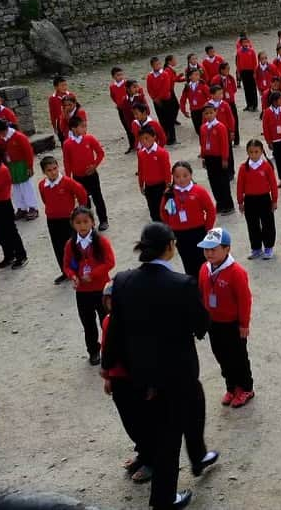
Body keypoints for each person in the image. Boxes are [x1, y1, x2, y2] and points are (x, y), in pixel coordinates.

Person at [102, 223, 218, 510]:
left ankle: (199, 454)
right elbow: (201, 326)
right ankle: (164, 499)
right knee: (168, 436)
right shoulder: (182, 284)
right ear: (168, 247)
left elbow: (114, 329)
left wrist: (107, 367)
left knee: (194, 403)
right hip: (175, 372)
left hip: (139, 372)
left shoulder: (123, 280)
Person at [99, 280, 154, 484]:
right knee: (129, 421)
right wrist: (108, 377)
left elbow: (147, 356)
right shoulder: (107, 321)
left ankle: (152, 461)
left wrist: (150, 383)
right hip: (119, 380)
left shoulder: (137, 322)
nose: (112, 302)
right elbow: (106, 349)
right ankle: (142, 453)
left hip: (137, 380)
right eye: (108, 299)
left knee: (144, 422)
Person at [197, 227, 255, 408]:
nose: (209, 253)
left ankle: (245, 388)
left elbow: (245, 300)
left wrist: (244, 324)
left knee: (238, 357)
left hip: (232, 324)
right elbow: (201, 293)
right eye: (206, 249)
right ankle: (231, 386)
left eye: (213, 249)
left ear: (227, 249)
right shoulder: (204, 269)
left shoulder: (236, 272)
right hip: (213, 323)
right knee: (221, 355)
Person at [62, 206, 114, 365]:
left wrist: (92, 275)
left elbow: (110, 262)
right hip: (82, 292)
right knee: (88, 323)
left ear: (92, 222)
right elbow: (67, 266)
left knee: (106, 320)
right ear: (73, 224)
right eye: (78, 222)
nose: (82, 226)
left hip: (101, 289)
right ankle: (93, 351)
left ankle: (111, 349)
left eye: (86, 221)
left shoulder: (101, 241)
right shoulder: (71, 244)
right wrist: (73, 276)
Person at [160, 161, 217, 278]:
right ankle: (192, 285)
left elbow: (210, 210)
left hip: (198, 231)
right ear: (173, 177)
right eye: (177, 177)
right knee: (187, 260)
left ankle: (205, 282)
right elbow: (163, 211)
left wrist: (207, 228)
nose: (181, 179)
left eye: (185, 176)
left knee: (201, 260)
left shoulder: (199, 191)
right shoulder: (169, 193)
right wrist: (170, 226)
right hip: (179, 234)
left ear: (191, 175)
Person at [38, 156, 88, 285]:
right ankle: (65, 271)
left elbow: (82, 193)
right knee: (58, 246)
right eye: (49, 170)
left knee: (73, 246)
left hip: (68, 220)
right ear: (44, 172)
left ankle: (79, 270)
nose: (53, 172)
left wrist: (80, 211)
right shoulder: (42, 185)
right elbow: (44, 200)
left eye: (55, 168)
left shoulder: (67, 182)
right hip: (52, 220)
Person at [63, 116, 109, 231]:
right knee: (83, 201)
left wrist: (94, 165)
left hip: (91, 175)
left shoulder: (89, 139)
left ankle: (103, 220)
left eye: (85, 126)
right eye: (82, 126)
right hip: (78, 177)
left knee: (97, 197)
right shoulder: (67, 144)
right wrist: (68, 179)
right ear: (74, 129)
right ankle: (89, 224)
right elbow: (67, 162)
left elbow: (100, 153)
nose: (85, 129)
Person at [0, 120, 39, 220]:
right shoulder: (1, 138)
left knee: (26, 186)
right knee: (16, 187)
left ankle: (33, 208)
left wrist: (29, 166)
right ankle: (21, 208)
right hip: (10, 165)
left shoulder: (19, 137)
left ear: (5, 130)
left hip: (21, 164)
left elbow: (29, 151)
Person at [199, 104, 235, 215]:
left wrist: (225, 159)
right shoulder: (203, 128)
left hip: (219, 158)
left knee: (223, 181)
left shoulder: (220, 127)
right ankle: (219, 203)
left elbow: (225, 144)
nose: (209, 115)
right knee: (213, 181)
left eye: (211, 112)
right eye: (206, 113)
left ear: (215, 112)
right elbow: (203, 143)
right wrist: (203, 157)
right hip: (209, 158)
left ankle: (228, 205)